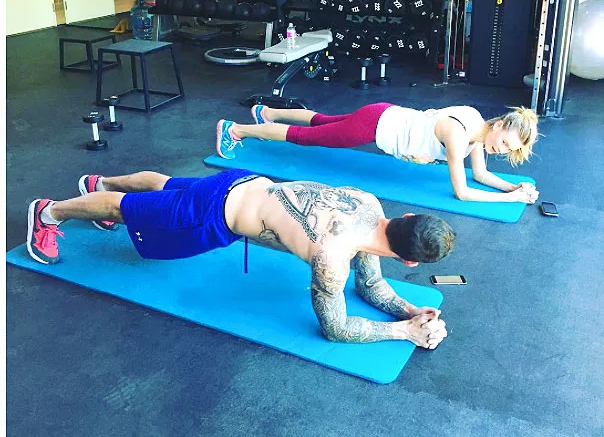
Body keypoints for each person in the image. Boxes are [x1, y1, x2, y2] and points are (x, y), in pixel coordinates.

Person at [27, 170, 454, 348]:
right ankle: (49, 212)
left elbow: (370, 284)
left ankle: (98, 183)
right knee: (126, 209)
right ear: (410, 262)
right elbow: (336, 329)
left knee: (165, 185)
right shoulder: (332, 257)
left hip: (244, 182)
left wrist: (410, 310)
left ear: (406, 218)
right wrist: (402, 332)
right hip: (214, 215)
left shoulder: (369, 204)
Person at [216, 103, 540, 204]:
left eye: (508, 149)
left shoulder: (477, 126)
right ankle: (236, 130)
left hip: (384, 112)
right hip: (375, 126)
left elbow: (480, 174)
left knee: (323, 121)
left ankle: (267, 112)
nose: (501, 149)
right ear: (499, 124)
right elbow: (463, 192)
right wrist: (511, 200)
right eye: (504, 142)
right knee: (306, 137)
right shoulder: (459, 136)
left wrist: (513, 187)